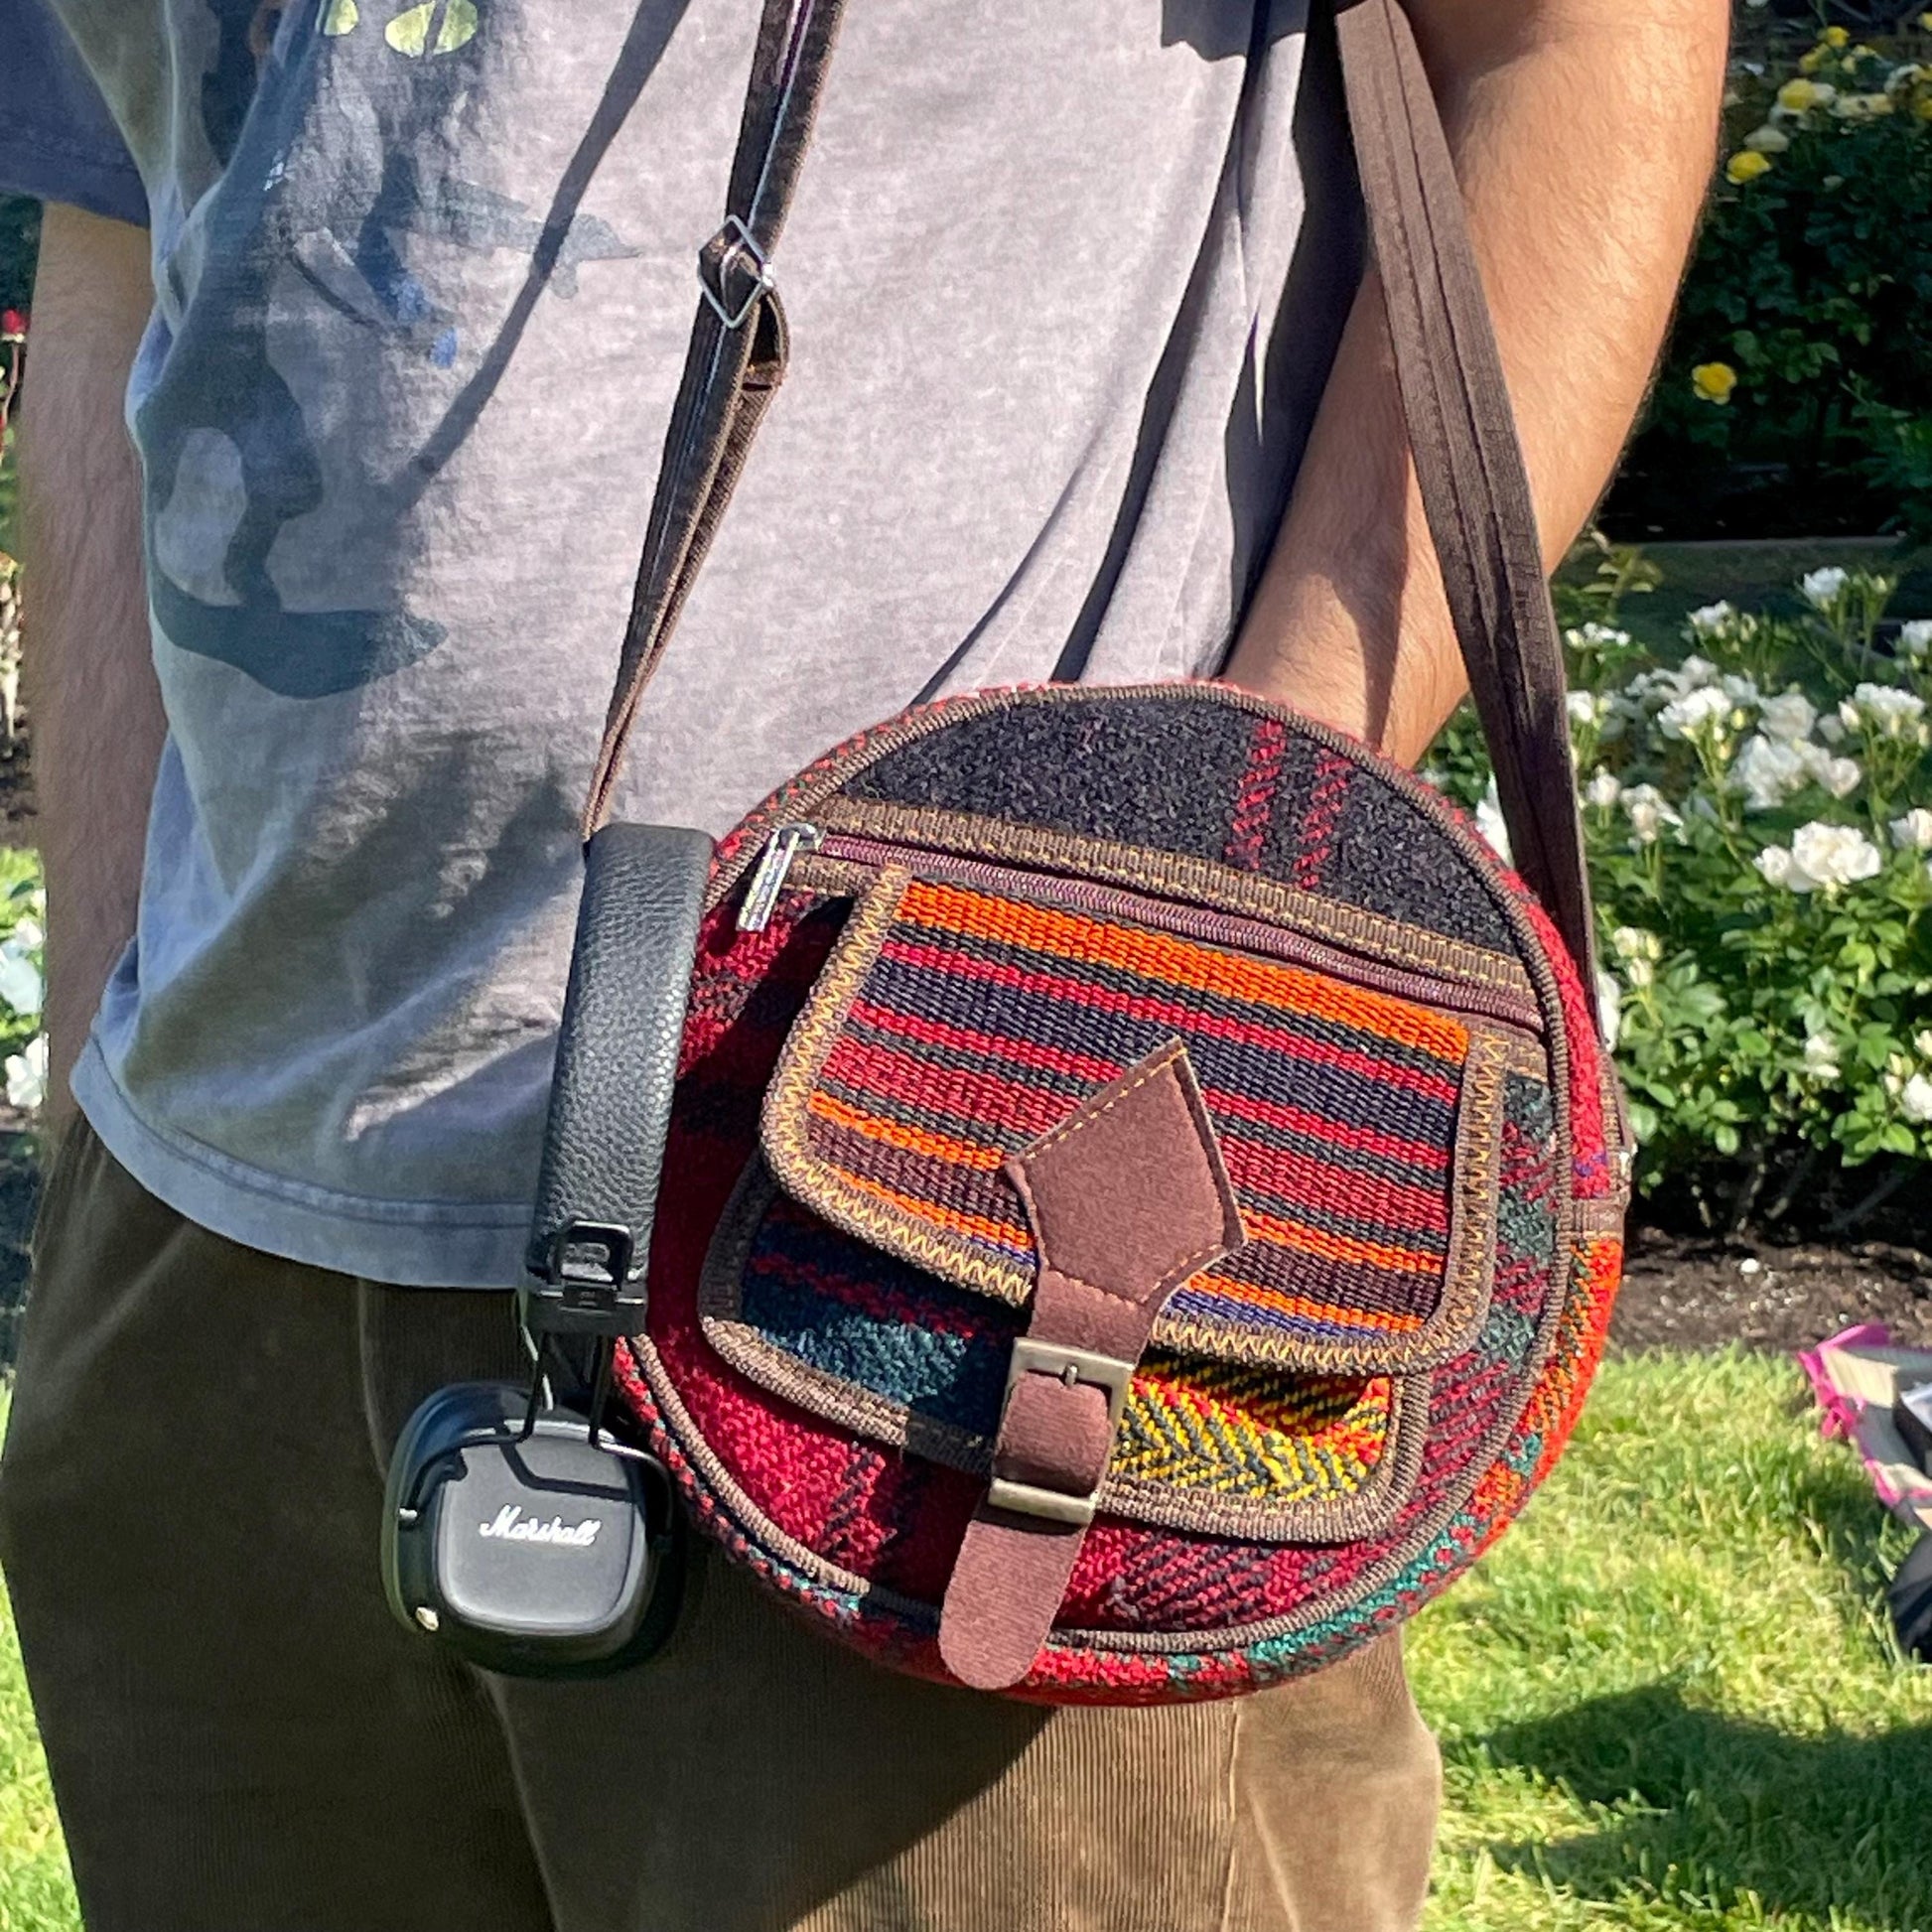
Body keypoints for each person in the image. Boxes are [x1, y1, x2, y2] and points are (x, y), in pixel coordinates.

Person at [0, 2, 1724, 1927]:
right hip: (199, 1249)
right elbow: (127, 231)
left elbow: (1578, 46)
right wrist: (98, 1055)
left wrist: (1232, 882)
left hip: (963, 1261)